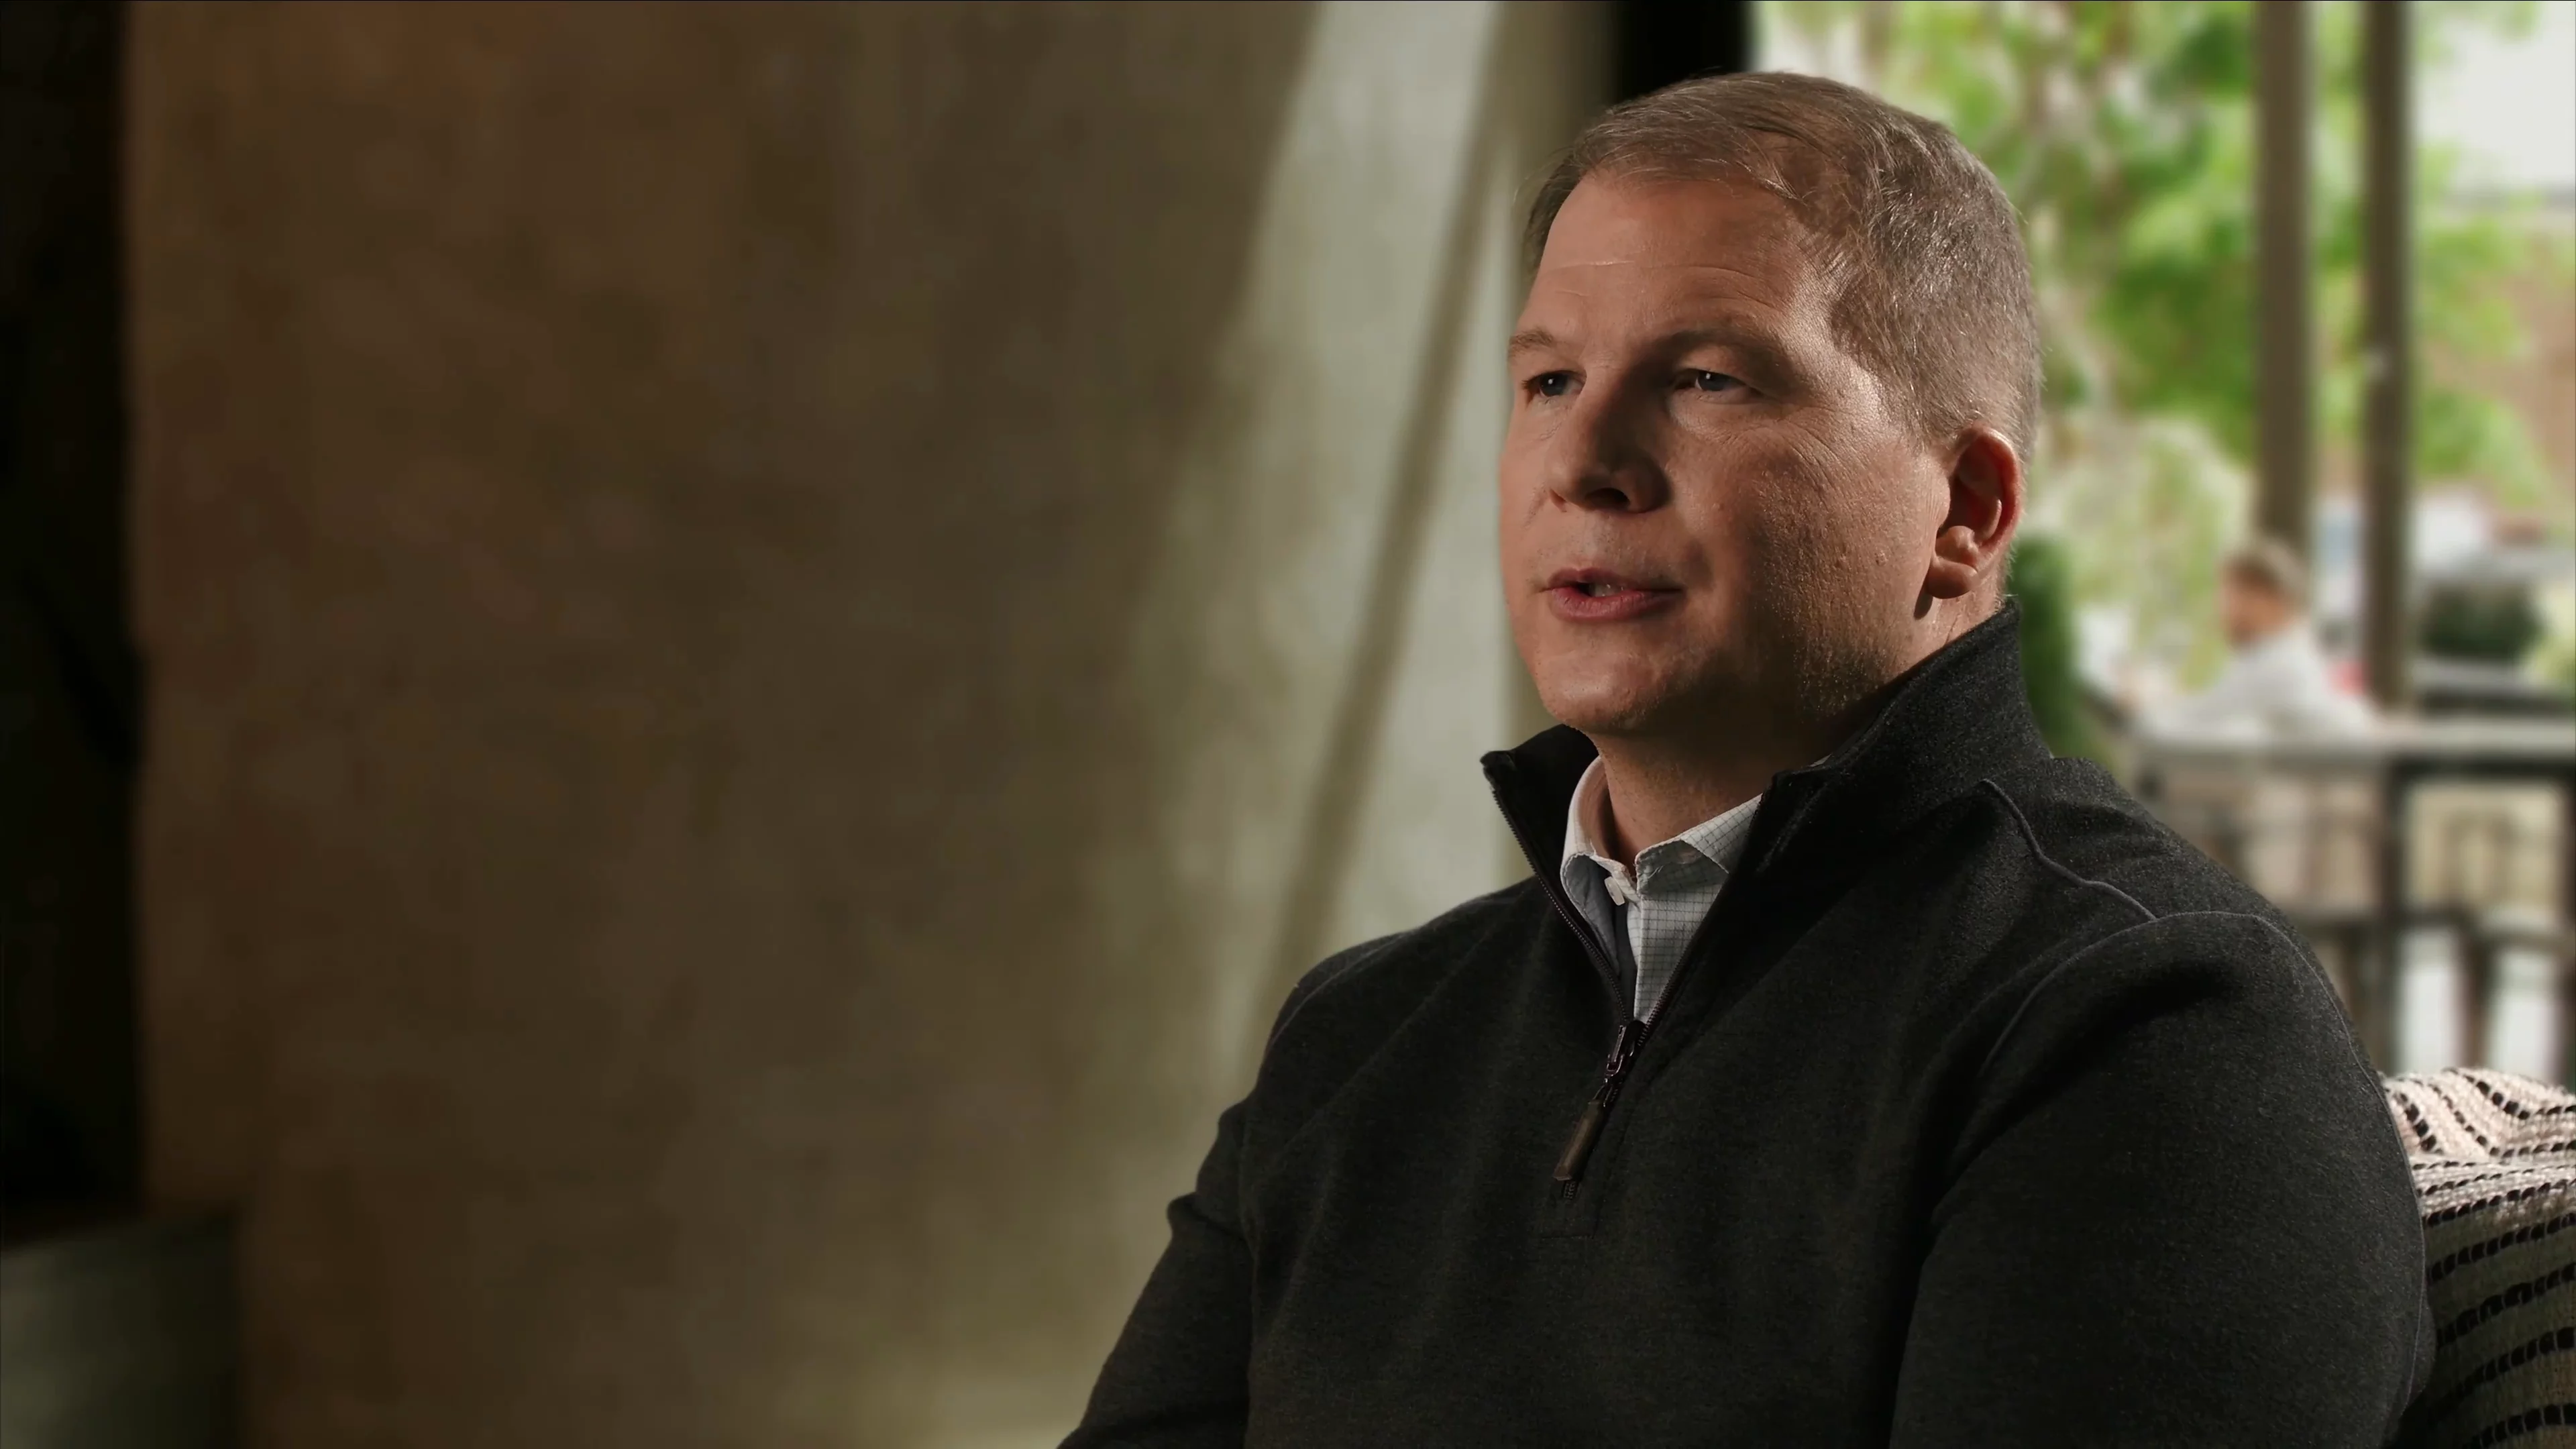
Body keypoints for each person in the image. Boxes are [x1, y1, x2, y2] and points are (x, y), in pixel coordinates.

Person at [1067, 74, 2426, 1446]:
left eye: (1707, 379)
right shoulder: (1360, 1035)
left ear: (1965, 509)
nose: (1583, 461)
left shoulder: (2151, 1024)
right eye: (1549, 381)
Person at [2146, 536, 2375, 737]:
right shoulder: (2281, 656)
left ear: (2275, 600)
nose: (2225, 609)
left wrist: (2146, 703)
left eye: (2237, 595)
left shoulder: (2280, 664)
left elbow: (2188, 723)